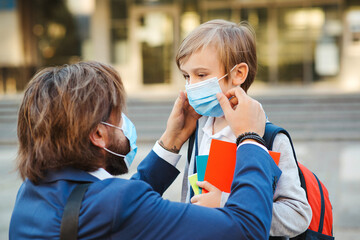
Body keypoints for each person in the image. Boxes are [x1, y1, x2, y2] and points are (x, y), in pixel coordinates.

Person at [9, 61, 281, 239]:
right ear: (98, 134)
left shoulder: (32, 190)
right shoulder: (116, 204)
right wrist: (250, 138)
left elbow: (110, 203)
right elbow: (246, 229)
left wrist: (170, 141)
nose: (124, 123)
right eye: (117, 116)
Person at [176, 19, 312, 238]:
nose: (191, 85)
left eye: (201, 75)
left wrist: (223, 203)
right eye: (186, 76)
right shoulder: (199, 128)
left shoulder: (268, 138)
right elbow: (190, 200)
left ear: (238, 74)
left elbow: (298, 215)